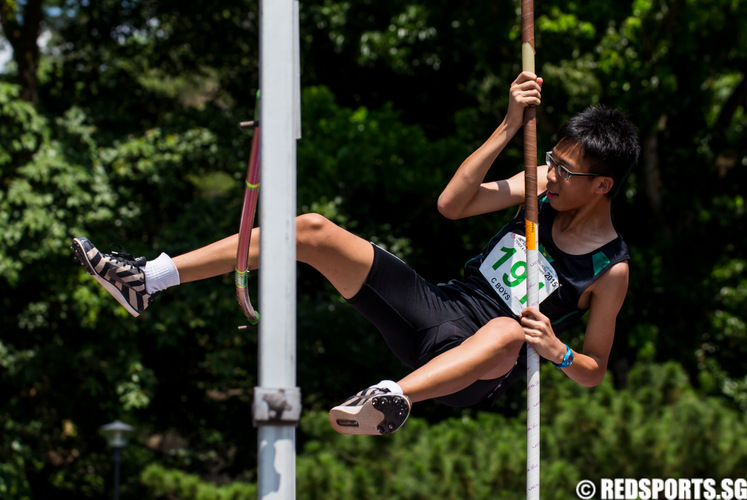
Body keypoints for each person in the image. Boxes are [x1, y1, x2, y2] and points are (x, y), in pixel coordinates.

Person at [72, 72, 640, 436]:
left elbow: (593, 370)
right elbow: (452, 203)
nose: (555, 175)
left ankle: (390, 399)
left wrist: (560, 352)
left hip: (475, 367)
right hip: (436, 308)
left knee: (512, 334)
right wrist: (508, 125)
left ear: (604, 185)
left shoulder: (609, 268)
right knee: (313, 229)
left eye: (569, 171)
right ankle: (149, 279)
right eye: (554, 162)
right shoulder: (540, 187)